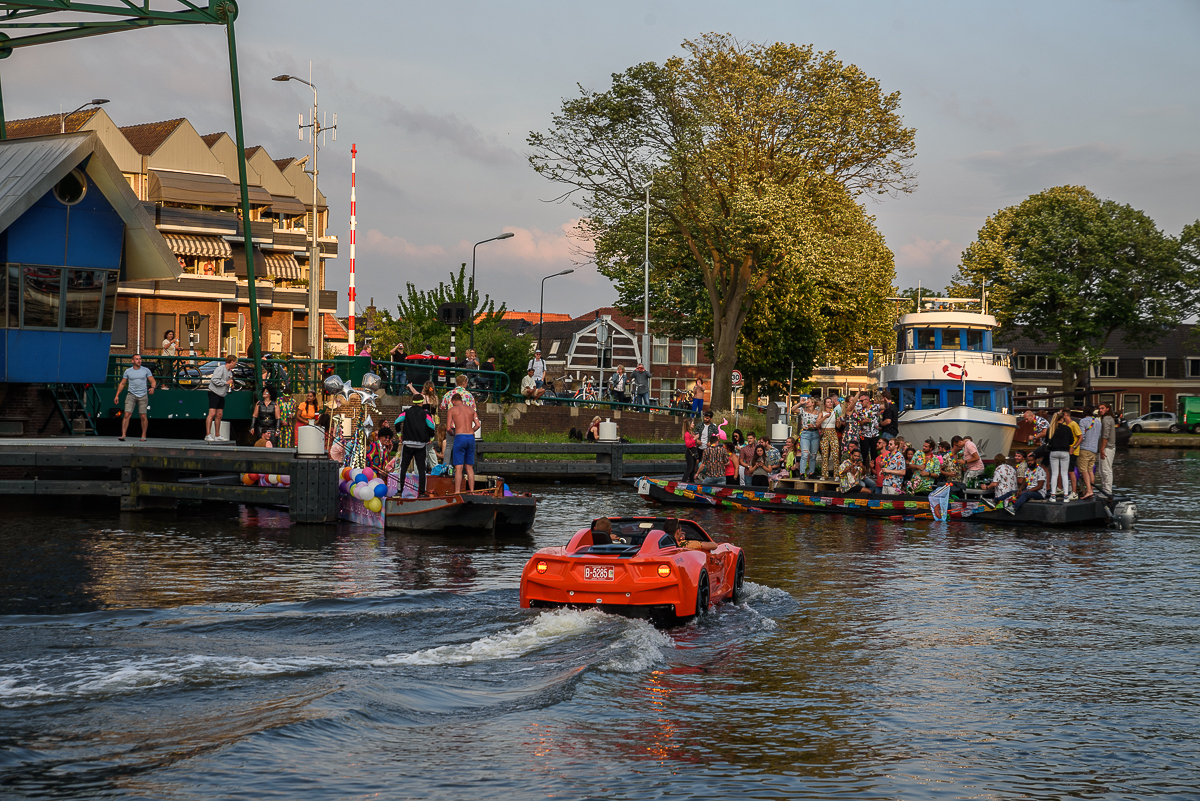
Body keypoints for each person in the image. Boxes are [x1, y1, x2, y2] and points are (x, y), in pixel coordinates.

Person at [396, 393, 436, 496]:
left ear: (413, 402)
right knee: (422, 469)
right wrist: (431, 438)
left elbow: (397, 422)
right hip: (421, 445)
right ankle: (422, 493)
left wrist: (399, 434)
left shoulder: (406, 412)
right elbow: (431, 426)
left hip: (408, 443)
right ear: (422, 402)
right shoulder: (426, 413)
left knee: (403, 467)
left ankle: (400, 491)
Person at [115, 354, 157, 441]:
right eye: (137, 359)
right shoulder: (128, 371)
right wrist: (117, 395)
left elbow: (152, 381)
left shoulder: (146, 370)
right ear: (133, 361)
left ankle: (143, 435)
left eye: (140, 359)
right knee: (127, 414)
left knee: (143, 415)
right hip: (131, 394)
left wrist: (152, 388)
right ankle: (123, 435)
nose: (139, 361)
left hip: (143, 395)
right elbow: (122, 383)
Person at [447, 393, 480, 494]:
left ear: (453, 401)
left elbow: (448, 428)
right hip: (470, 438)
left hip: (459, 437)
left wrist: (452, 433)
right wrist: (472, 430)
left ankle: (457, 492)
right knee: (469, 467)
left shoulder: (452, 410)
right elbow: (478, 425)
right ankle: (472, 491)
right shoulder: (471, 410)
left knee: (459, 467)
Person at [1046, 409, 1077, 501]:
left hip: (1054, 452)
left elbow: (1047, 441)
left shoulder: (1050, 429)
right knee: (1064, 474)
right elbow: (1072, 441)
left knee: (1054, 474)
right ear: (1062, 419)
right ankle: (1066, 496)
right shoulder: (1067, 428)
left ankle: (1053, 495)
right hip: (1064, 452)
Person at [204, 354, 237, 442]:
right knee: (212, 413)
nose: (235, 365)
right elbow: (214, 380)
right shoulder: (220, 369)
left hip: (222, 394)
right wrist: (226, 382)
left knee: (219, 415)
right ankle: (208, 434)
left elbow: (227, 382)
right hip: (214, 393)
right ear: (232, 362)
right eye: (235, 363)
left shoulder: (230, 372)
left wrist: (230, 385)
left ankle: (217, 435)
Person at [1076, 409, 1101, 500]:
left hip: (1084, 448)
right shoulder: (1098, 422)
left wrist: (1075, 446)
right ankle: (1091, 490)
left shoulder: (1083, 421)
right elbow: (1099, 435)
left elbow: (1082, 436)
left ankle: (1089, 491)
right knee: (1090, 470)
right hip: (1094, 449)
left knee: (1084, 470)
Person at [796, 397, 820, 478]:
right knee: (805, 454)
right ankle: (802, 473)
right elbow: (793, 409)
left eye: (808, 402)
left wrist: (814, 426)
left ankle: (811, 473)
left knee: (813, 454)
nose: (806, 403)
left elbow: (820, 423)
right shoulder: (803, 410)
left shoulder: (818, 412)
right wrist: (800, 403)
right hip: (805, 433)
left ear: (813, 403)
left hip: (815, 433)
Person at [1096, 403, 1116, 496]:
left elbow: (1105, 435)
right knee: (1104, 469)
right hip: (1109, 447)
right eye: (1099, 408)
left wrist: (1102, 448)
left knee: (1105, 469)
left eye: (1102, 408)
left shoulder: (1106, 419)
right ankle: (1106, 489)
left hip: (1107, 447)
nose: (1100, 410)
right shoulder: (1108, 419)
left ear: (1108, 409)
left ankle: (1107, 490)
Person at [818, 396, 840, 479]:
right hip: (824, 432)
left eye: (831, 402)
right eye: (828, 402)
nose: (830, 403)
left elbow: (838, 426)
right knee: (825, 454)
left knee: (835, 454)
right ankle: (824, 474)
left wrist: (838, 421)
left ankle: (836, 474)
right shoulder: (821, 413)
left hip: (833, 432)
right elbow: (817, 423)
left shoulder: (835, 412)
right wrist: (824, 417)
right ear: (824, 404)